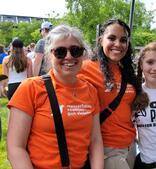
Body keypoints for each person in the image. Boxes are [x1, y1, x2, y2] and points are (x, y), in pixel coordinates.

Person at [7, 25, 104, 169]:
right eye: (60, 52)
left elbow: (95, 140)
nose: (69, 56)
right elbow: (15, 147)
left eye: (75, 50)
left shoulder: (90, 90)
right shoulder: (30, 88)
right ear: (49, 55)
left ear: (83, 54)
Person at [78, 18, 142, 169]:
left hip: (130, 146)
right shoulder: (85, 68)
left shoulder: (126, 72)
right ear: (101, 41)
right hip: (107, 149)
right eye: (112, 38)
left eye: (123, 40)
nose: (118, 44)